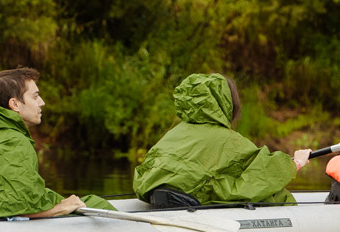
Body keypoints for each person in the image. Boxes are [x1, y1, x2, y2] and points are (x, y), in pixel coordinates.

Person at [0, 67, 115, 218]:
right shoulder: (15, 142)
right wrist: (63, 208)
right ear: (15, 104)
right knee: (96, 203)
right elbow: (14, 209)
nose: (42, 103)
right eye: (35, 97)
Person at [132, 73, 312, 206]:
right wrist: (295, 163)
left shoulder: (173, 134)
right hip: (188, 202)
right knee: (276, 195)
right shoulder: (229, 141)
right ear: (226, 103)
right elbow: (261, 175)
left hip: (163, 198)